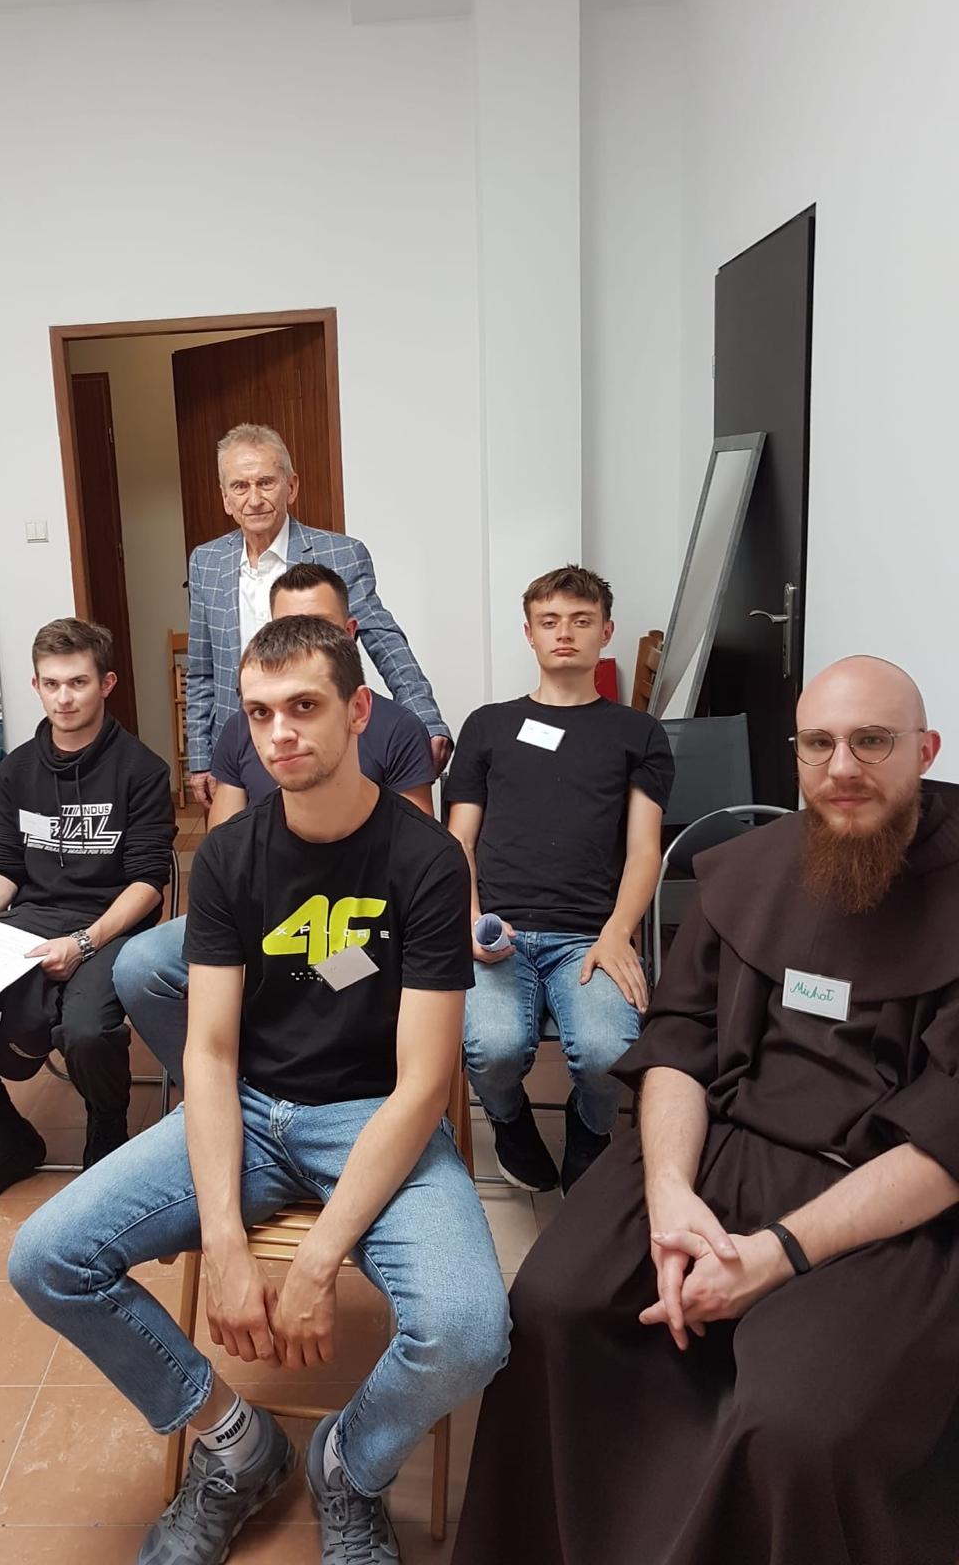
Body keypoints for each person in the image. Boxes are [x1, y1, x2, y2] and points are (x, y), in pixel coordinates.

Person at [10, 615, 508, 1565]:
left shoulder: (426, 860)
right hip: (248, 1109)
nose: (281, 732)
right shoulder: (231, 856)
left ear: (357, 712)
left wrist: (315, 1264)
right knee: (45, 1258)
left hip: (374, 1115)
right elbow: (207, 1056)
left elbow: (424, 1083)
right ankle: (237, 1447)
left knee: (471, 1330)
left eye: (305, 707)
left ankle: (348, 1467)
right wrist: (227, 1242)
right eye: (261, 712)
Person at [453, 655, 959, 1565]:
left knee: (796, 1423)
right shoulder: (749, 873)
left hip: (883, 1193)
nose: (842, 768)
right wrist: (672, 1195)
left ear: (925, 750)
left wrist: (779, 1254)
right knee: (554, 1304)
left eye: (872, 742)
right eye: (818, 745)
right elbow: (681, 1043)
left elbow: (949, 1134)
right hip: (719, 1150)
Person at [114, 561, 436, 1082]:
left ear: (349, 632)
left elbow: (415, 862)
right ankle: (226, 1090)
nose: (279, 732)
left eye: (318, 627)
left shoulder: (396, 729)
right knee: (140, 965)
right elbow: (223, 846)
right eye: (286, 627)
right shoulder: (245, 729)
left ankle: (301, 1086)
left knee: (317, 977)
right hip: (259, 908)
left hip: (356, 918)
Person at [0, 618, 175, 1213]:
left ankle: (106, 1129)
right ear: (36, 685)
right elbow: (5, 866)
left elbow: (148, 883)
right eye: (51, 684)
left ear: (107, 683)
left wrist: (86, 942)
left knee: (87, 1031)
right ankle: (4, 1134)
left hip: (111, 922)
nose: (64, 698)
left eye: (78, 682)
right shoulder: (17, 769)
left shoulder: (142, 770)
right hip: (31, 918)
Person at [444, 565, 673, 1193]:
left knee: (609, 1054)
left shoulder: (637, 733)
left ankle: (590, 1129)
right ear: (529, 633)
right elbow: (458, 841)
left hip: (591, 937)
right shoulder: (488, 725)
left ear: (606, 632)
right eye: (549, 622)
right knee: (491, 1048)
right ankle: (509, 1119)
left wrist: (618, 933)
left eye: (580, 621)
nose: (564, 633)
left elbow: (645, 850)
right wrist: (469, 921)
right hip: (499, 931)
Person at [185, 421, 450, 808]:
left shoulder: (340, 554)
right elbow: (201, 669)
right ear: (225, 498)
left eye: (266, 483)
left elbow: (384, 640)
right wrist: (200, 757)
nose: (254, 499)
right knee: (247, 842)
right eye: (240, 487)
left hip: (315, 733)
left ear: (291, 486)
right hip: (241, 743)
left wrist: (424, 717)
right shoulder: (206, 562)